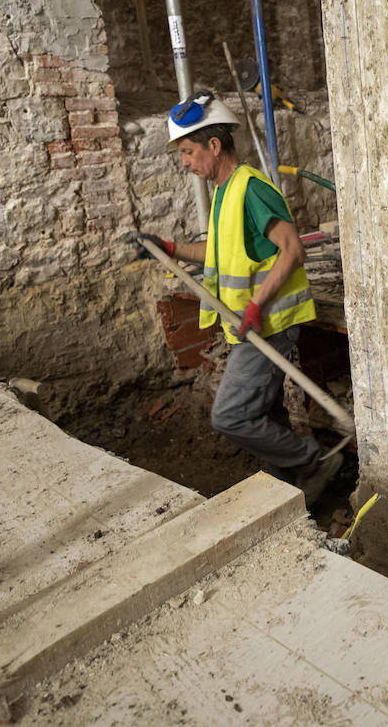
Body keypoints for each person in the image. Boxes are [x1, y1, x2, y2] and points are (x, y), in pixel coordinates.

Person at [127, 90, 342, 501]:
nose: (186, 163)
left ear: (213, 145)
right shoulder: (225, 191)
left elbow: (292, 249)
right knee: (263, 411)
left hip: (268, 324)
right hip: (251, 324)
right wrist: (169, 248)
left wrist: (256, 305)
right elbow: (219, 252)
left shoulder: (251, 189)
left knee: (229, 416)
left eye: (189, 152)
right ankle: (292, 485)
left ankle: (315, 461)